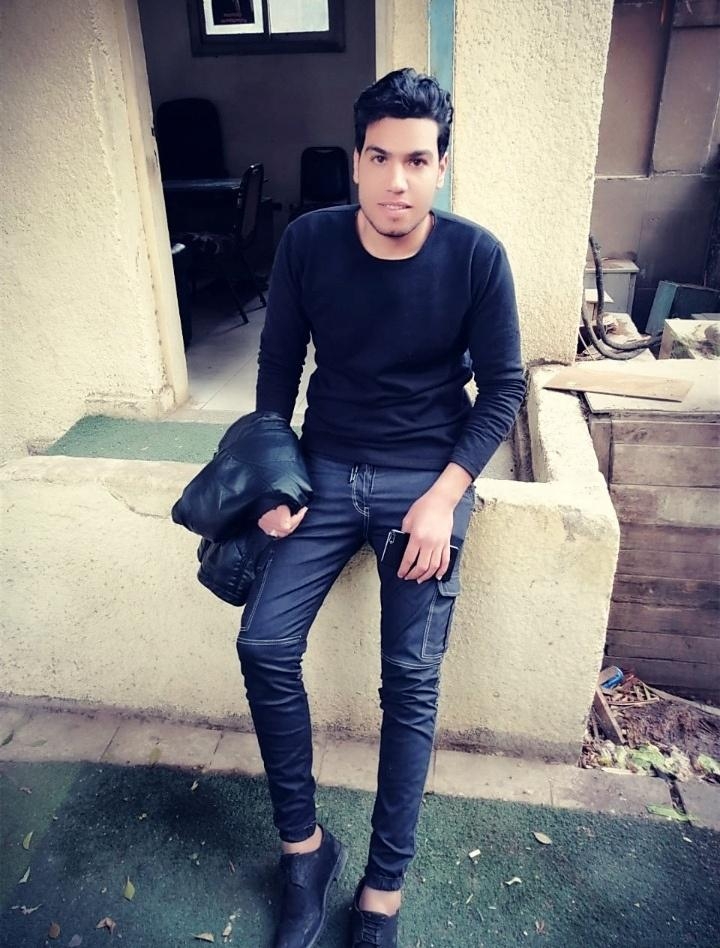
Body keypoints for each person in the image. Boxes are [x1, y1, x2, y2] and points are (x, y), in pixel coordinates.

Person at [237, 67, 525, 948]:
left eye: (417, 160)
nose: (397, 180)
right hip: (324, 470)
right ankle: (304, 851)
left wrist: (445, 496)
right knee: (263, 643)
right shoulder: (309, 243)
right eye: (379, 158)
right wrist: (275, 480)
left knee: (410, 681)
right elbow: (277, 370)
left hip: (424, 482)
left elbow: (504, 389)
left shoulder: (476, 256)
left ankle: (382, 890)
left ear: (441, 166)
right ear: (357, 160)